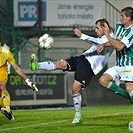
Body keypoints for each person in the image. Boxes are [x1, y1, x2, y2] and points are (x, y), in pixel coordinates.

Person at [30, 18, 114, 124]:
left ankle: (78, 115)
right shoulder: (103, 37)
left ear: (104, 27)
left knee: (75, 89)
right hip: (82, 58)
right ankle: (36, 65)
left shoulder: (112, 38)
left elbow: (99, 42)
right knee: (60, 64)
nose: (95, 30)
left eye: (97, 28)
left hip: (89, 66)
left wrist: (82, 35)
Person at [98, 7, 133, 102]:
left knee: (131, 92)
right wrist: (104, 44)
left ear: (129, 18)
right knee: (103, 80)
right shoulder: (118, 26)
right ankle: (128, 96)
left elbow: (120, 46)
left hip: (128, 66)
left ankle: (130, 96)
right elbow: (114, 41)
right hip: (118, 65)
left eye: (122, 16)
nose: (120, 18)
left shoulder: (132, 31)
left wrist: (107, 35)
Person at [0, 36, 38, 120]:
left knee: (2, 87)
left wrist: (27, 81)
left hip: (1, 69)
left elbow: (16, 68)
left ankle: (8, 110)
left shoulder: (6, 52)